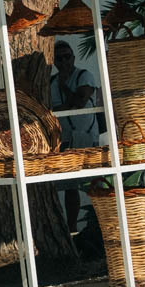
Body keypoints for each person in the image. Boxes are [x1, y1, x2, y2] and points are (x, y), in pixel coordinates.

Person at [50, 41, 101, 235]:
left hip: (85, 135)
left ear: (74, 58)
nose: (64, 62)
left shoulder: (83, 75)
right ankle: (71, 228)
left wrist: (64, 87)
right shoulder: (51, 82)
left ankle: (96, 223)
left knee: (92, 180)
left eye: (67, 57)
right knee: (69, 185)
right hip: (65, 138)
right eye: (59, 58)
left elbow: (79, 101)